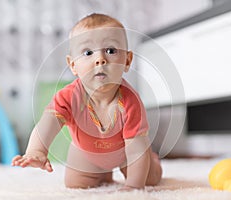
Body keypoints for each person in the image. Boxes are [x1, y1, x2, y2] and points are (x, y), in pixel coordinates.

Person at [12, 13, 162, 191]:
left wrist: (133, 186)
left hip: (125, 154)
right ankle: (102, 173)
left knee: (148, 178)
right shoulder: (68, 97)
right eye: (88, 52)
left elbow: (136, 150)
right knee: (76, 184)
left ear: (127, 61)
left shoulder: (130, 101)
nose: (100, 59)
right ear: (73, 65)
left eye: (111, 50)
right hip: (86, 152)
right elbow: (48, 123)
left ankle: (153, 162)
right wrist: (37, 151)